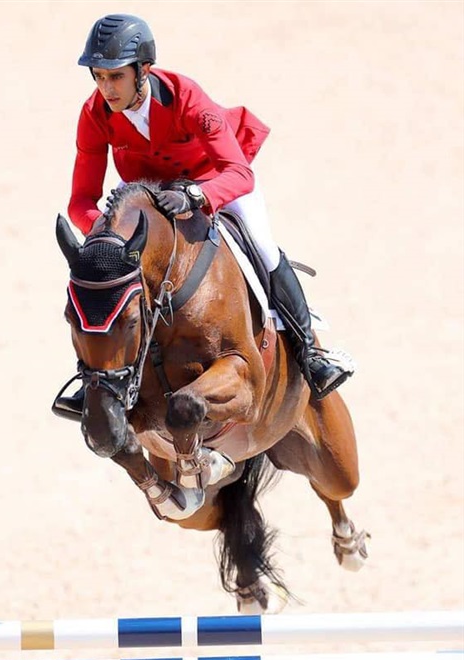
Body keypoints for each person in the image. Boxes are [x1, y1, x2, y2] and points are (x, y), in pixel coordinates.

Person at [55, 13, 353, 418]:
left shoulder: (185, 97)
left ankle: (311, 353)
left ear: (143, 69)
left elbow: (238, 172)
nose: (106, 88)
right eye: (99, 76)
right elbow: (81, 201)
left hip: (216, 181)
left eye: (116, 77)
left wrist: (199, 195)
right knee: (108, 283)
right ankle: (98, 381)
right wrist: (109, 241)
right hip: (152, 207)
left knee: (262, 248)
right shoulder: (95, 114)